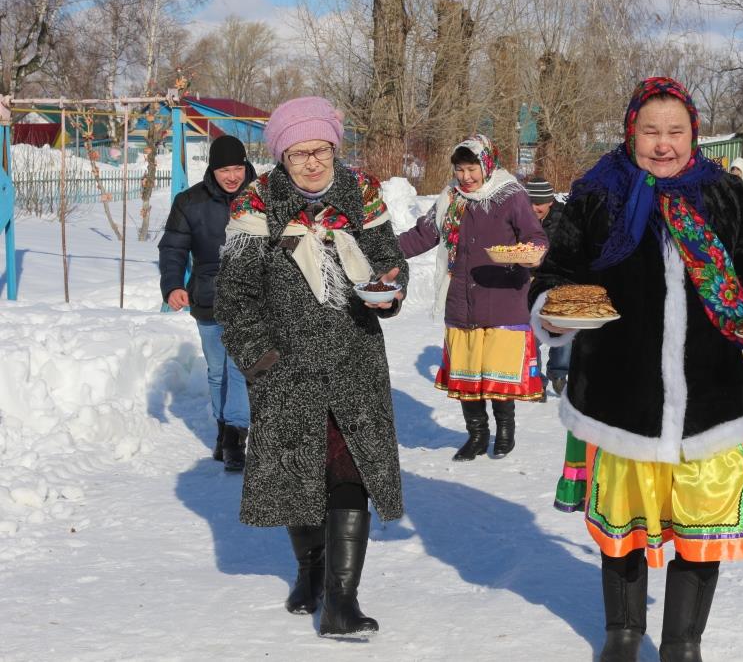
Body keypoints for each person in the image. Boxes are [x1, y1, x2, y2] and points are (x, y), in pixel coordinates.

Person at [529, 77, 743, 662]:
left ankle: (683, 643)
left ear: (693, 134)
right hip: (619, 394)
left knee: (700, 532)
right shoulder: (597, 194)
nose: (663, 144)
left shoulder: (722, 196)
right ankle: (622, 634)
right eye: (650, 131)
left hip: (709, 395)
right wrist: (554, 311)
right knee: (625, 526)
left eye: (675, 131)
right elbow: (558, 272)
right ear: (631, 132)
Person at [214, 96, 408, 637]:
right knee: (300, 475)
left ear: (334, 148)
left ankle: (342, 602)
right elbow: (234, 295)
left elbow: (389, 259)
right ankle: (311, 569)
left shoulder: (362, 194)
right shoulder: (254, 203)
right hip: (286, 368)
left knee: (351, 474)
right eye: (299, 154)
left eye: (320, 150)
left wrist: (390, 292)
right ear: (281, 156)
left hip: (354, 361)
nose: (313, 163)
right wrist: (261, 359)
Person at [399, 134, 548, 461]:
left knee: (497, 373)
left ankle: (505, 430)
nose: (465, 177)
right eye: (460, 169)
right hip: (461, 300)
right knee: (467, 376)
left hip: (503, 298)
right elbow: (424, 234)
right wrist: (384, 252)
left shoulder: (511, 196)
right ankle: (477, 435)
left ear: (487, 164)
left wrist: (531, 253)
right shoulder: (450, 198)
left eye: (471, 169)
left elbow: (535, 237)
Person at [159, 135, 256, 472]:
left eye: (237, 168)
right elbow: (173, 248)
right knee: (217, 371)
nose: (232, 176)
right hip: (208, 295)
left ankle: (234, 438)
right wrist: (172, 285)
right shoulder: (190, 202)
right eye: (224, 169)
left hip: (251, 297)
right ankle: (222, 432)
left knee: (240, 367)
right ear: (212, 170)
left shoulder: (263, 198)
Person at [524, 176, 571, 397]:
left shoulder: (565, 219)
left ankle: (559, 373)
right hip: (531, 282)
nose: (534, 209)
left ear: (549, 201)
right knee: (532, 331)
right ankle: (537, 380)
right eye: (530, 203)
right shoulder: (521, 218)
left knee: (562, 329)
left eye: (538, 203)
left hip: (559, 282)